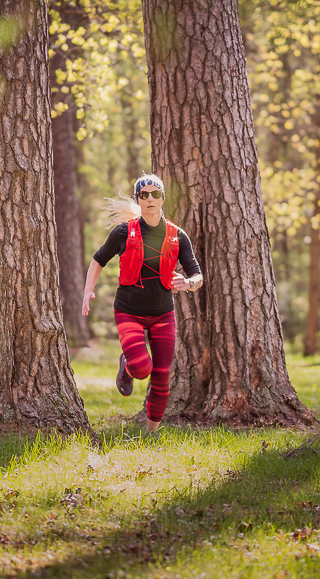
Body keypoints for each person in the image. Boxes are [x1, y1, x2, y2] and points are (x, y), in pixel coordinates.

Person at [81, 174, 203, 432]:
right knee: (141, 367)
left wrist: (189, 283)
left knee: (161, 377)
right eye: (144, 195)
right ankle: (127, 365)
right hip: (129, 311)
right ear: (138, 199)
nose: (150, 199)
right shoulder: (123, 232)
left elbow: (197, 274)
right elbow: (98, 259)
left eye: (155, 194)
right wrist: (87, 291)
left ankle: (150, 434)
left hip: (163, 314)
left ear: (162, 199)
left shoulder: (178, 236)